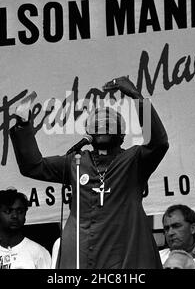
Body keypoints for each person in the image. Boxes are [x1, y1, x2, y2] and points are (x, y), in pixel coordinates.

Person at [10, 76, 169, 268]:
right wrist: (22, 125)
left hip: (124, 250)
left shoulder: (134, 160)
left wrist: (137, 98)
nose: (103, 126)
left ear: (122, 134)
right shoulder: (76, 161)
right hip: (83, 252)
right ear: (89, 133)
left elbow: (158, 143)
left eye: (109, 123)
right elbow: (33, 166)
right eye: (98, 124)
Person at [0, 189, 51, 269]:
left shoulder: (39, 253)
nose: (15, 216)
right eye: (8, 211)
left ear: (25, 216)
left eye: (20, 211)